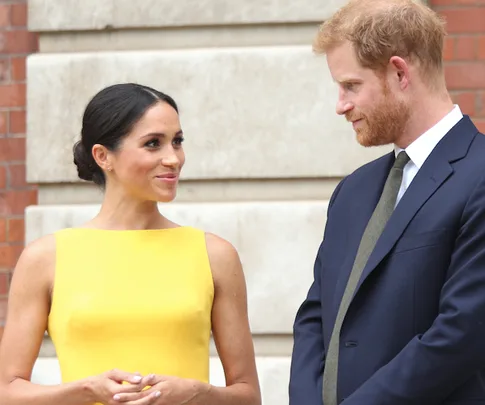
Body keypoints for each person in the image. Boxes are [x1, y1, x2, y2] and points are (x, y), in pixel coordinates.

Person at [0, 83, 261, 405]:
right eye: (153, 144)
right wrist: (85, 390)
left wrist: (197, 392)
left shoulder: (215, 255)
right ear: (103, 156)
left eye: (177, 142)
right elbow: (7, 391)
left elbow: (248, 395)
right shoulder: (46, 258)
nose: (173, 158)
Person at [289, 0, 485, 404]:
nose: (340, 105)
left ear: (399, 73)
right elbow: (315, 318)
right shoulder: (353, 191)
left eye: (351, 86)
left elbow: (461, 334)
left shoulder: (479, 174)